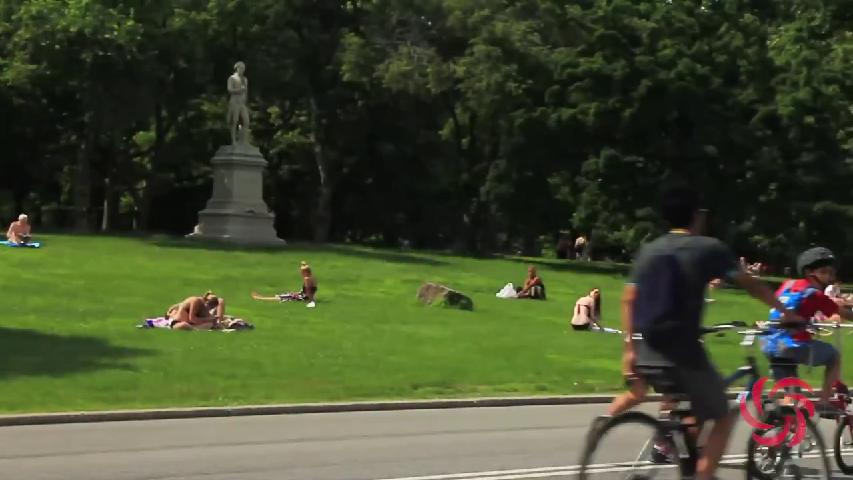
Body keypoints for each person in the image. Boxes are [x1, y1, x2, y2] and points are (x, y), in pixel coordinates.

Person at [602, 182, 802, 480]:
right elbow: (750, 283)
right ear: (698, 215)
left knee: (692, 412)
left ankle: (621, 431)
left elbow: (628, 298)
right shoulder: (709, 248)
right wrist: (787, 313)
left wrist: (629, 349)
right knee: (721, 413)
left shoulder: (649, 250)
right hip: (683, 353)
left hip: (646, 352)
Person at [762, 247, 853, 411]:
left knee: (793, 401)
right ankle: (824, 401)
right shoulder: (815, 295)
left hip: (770, 345)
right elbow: (843, 313)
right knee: (834, 357)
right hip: (794, 346)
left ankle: (778, 417)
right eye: (824, 272)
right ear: (809, 272)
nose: (829, 277)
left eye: (830, 272)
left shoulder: (786, 285)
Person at [252, 261, 318, 307]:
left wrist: (310, 300)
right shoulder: (313, 278)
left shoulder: (306, 279)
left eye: (301, 272)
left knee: (281, 298)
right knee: (284, 295)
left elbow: (309, 290)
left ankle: (260, 298)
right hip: (303, 296)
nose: (300, 273)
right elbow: (311, 290)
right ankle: (261, 297)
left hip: (303, 297)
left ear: (305, 272)